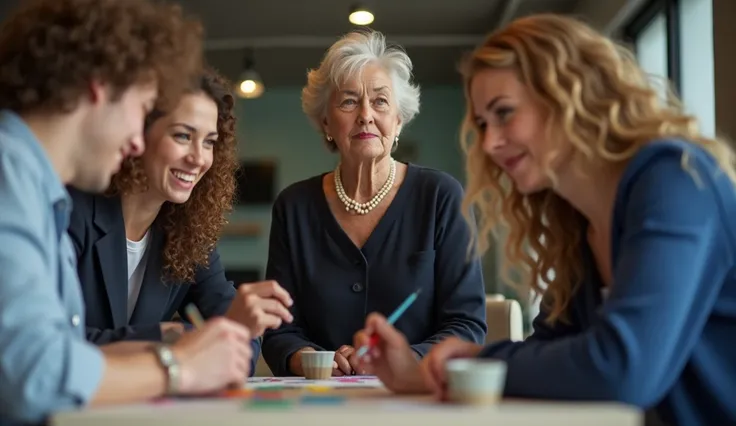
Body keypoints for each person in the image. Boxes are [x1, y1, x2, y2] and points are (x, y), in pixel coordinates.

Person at [353, 14, 736, 426]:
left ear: (567, 94)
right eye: (482, 124)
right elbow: (554, 351)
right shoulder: (575, 224)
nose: (490, 143)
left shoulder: (675, 179)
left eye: (504, 113)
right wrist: (422, 374)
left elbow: (622, 367)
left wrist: (471, 361)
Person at [0, 1, 253, 425]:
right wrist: (179, 366)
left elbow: (65, 350)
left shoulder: (40, 192)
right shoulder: (11, 176)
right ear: (102, 85)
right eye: (142, 107)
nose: (137, 142)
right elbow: (37, 376)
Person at [262, 29, 487, 377]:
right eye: (349, 101)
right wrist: (311, 358)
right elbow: (280, 331)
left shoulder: (443, 196)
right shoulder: (294, 207)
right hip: (319, 400)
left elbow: (467, 325)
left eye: (380, 101)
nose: (365, 114)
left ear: (398, 120)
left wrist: (401, 358)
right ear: (326, 122)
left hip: (418, 397)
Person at [68, 67, 294, 375]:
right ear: (139, 133)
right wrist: (175, 337)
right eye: (183, 136)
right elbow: (54, 346)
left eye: (209, 142)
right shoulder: (73, 211)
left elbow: (243, 344)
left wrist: (231, 331)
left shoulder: (189, 234)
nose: (199, 158)